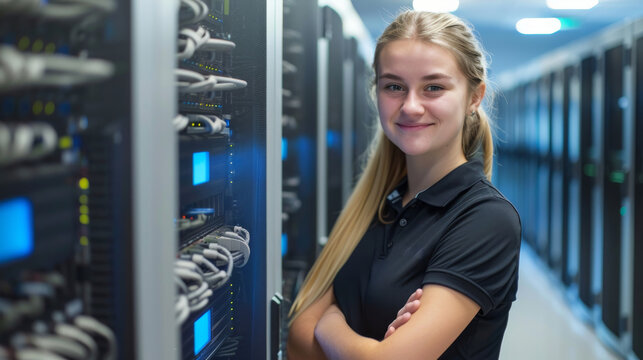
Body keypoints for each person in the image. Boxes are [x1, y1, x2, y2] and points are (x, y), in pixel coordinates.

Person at [286, 10, 521, 360]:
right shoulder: (377, 203)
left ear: (475, 97)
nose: (411, 106)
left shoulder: (485, 219)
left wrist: (329, 321)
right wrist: (362, 345)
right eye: (394, 86)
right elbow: (298, 340)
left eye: (434, 87)